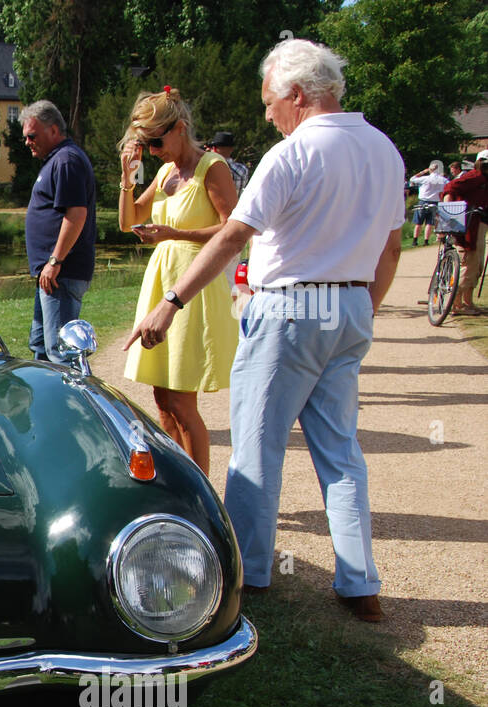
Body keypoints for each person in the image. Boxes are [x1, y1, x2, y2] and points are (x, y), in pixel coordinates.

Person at [126, 38, 404, 623]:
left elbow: (233, 235)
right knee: (342, 453)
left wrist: (172, 300)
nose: (268, 113)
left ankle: (246, 574)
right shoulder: (384, 150)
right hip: (349, 307)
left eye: (270, 102)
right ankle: (360, 583)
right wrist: (363, 307)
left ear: (297, 95)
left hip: (290, 307)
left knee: (255, 446)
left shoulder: (292, 154)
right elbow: (391, 245)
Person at [119, 88, 239, 476]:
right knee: (162, 400)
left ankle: (200, 496)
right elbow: (127, 221)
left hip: (192, 288)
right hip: (161, 282)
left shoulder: (211, 167)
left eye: (156, 141)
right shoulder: (166, 171)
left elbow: (233, 230)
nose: (152, 151)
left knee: (183, 403)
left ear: (180, 128)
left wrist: (174, 234)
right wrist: (127, 177)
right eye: (145, 144)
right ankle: (179, 480)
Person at [21, 99, 95, 359]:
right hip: (52, 275)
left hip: (61, 274)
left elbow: (76, 214)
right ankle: (46, 400)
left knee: (62, 352)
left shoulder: (66, 161)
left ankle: (77, 401)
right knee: (41, 347)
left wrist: (55, 260)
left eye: (32, 135)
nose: (28, 141)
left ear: (53, 130)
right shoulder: (58, 160)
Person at [441, 149, 488, 315]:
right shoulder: (476, 176)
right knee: (469, 263)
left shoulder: (484, 179)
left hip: (479, 224)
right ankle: (457, 304)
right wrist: (449, 212)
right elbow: (450, 187)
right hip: (469, 226)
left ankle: (468, 301)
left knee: (476, 265)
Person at [407, 161, 448, 245]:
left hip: (423, 201)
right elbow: (448, 184)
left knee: (419, 222)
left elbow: (412, 179)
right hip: (435, 202)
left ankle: (415, 241)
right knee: (429, 222)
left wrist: (423, 172)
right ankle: (426, 241)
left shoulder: (425, 178)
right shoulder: (442, 180)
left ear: (430, 170)